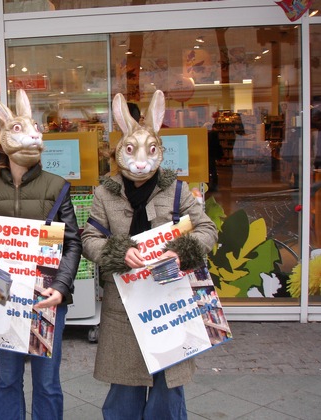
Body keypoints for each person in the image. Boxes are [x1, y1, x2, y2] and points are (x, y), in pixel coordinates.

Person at [80, 91, 217, 420]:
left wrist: (181, 251)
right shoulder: (104, 193)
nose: (140, 160)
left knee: (167, 392)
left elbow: (207, 230)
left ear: (159, 151)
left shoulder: (178, 190)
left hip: (170, 303)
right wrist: (117, 252)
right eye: (131, 150)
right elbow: (89, 237)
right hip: (122, 309)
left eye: (149, 150)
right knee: (124, 392)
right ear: (120, 150)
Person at [0, 90, 82, 419]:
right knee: (7, 380)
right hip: (1, 297)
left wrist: (62, 286)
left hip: (45, 297)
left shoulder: (57, 186)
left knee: (47, 381)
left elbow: (72, 242)